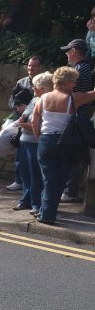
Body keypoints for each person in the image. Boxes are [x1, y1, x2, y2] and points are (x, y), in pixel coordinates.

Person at [31, 66, 95, 224]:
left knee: (49, 179)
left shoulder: (43, 99)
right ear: (65, 83)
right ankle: (47, 215)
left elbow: (35, 121)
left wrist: (40, 137)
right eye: (73, 81)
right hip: (65, 142)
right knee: (58, 180)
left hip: (45, 141)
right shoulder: (73, 98)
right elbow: (93, 94)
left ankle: (44, 211)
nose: (74, 84)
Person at [13, 71, 53, 215]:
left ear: (44, 88)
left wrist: (27, 125)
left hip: (35, 141)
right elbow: (26, 116)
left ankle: (36, 203)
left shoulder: (46, 101)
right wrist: (21, 120)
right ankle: (26, 200)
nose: (33, 88)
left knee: (36, 175)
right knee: (26, 174)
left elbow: (42, 125)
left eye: (35, 86)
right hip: (25, 140)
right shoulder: (34, 99)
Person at [60, 39, 93, 203]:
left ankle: (70, 190)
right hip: (78, 115)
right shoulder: (84, 68)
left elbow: (67, 92)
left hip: (76, 117)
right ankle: (69, 189)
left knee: (71, 153)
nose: (66, 53)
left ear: (74, 51)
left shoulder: (80, 69)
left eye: (67, 50)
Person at [6, 55, 42, 191]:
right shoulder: (21, 82)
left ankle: (32, 185)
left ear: (40, 67)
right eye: (29, 65)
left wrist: (27, 107)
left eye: (34, 66)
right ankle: (18, 180)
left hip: (37, 124)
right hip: (21, 121)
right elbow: (11, 101)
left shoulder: (44, 83)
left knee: (34, 157)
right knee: (19, 152)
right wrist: (17, 108)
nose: (31, 68)